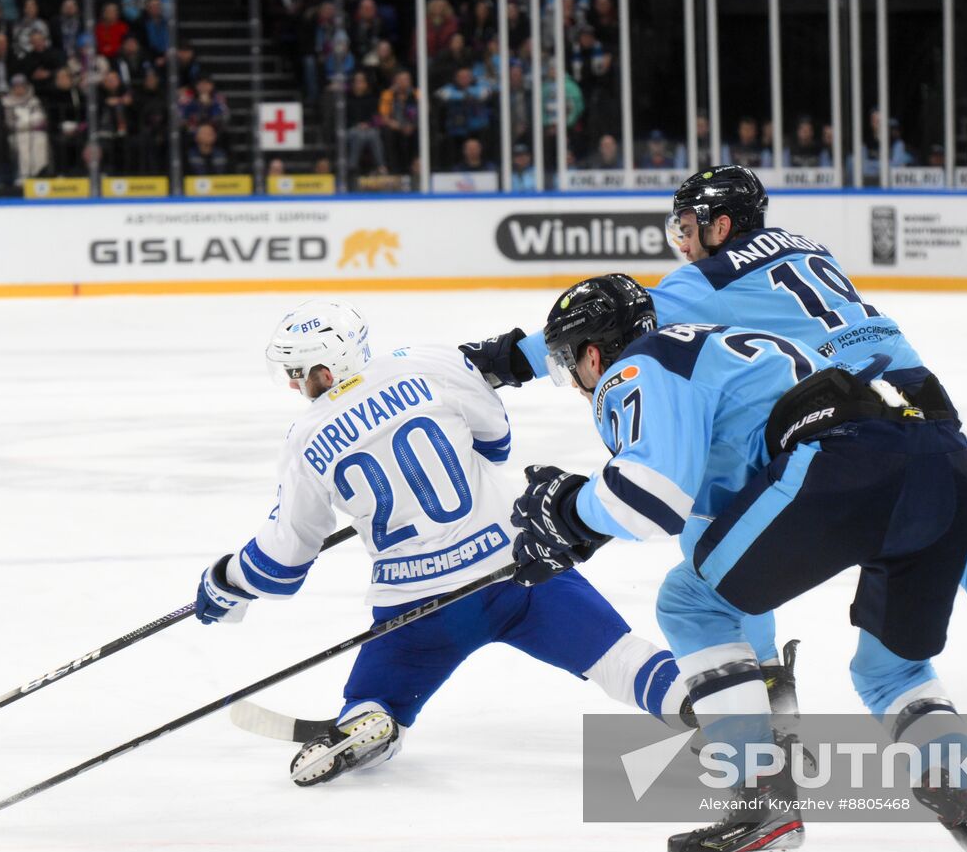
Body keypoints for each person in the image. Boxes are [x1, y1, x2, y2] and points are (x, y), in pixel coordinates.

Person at [459, 164, 967, 761]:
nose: (682, 242)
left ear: (720, 224)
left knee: (711, 540)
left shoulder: (702, 278)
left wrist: (501, 362)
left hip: (836, 419)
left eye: (688, 227)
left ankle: (767, 706)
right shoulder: (809, 246)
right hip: (915, 390)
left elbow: (605, 326)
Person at [509, 274, 967, 852]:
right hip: (939, 458)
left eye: (567, 363)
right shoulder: (723, 345)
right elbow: (709, 521)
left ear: (593, 352)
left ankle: (762, 807)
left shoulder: (636, 366)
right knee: (890, 672)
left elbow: (650, 502)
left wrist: (566, 508)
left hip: (847, 457)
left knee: (689, 603)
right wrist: (587, 524)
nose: (576, 382)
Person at [192, 300, 689, 786]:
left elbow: (283, 562)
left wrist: (227, 580)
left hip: (416, 605)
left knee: (375, 698)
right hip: (516, 569)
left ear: (324, 368)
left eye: (300, 373)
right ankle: (719, 715)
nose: (298, 385)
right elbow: (495, 444)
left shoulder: (304, 438)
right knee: (620, 658)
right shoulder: (426, 363)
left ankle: (369, 719)